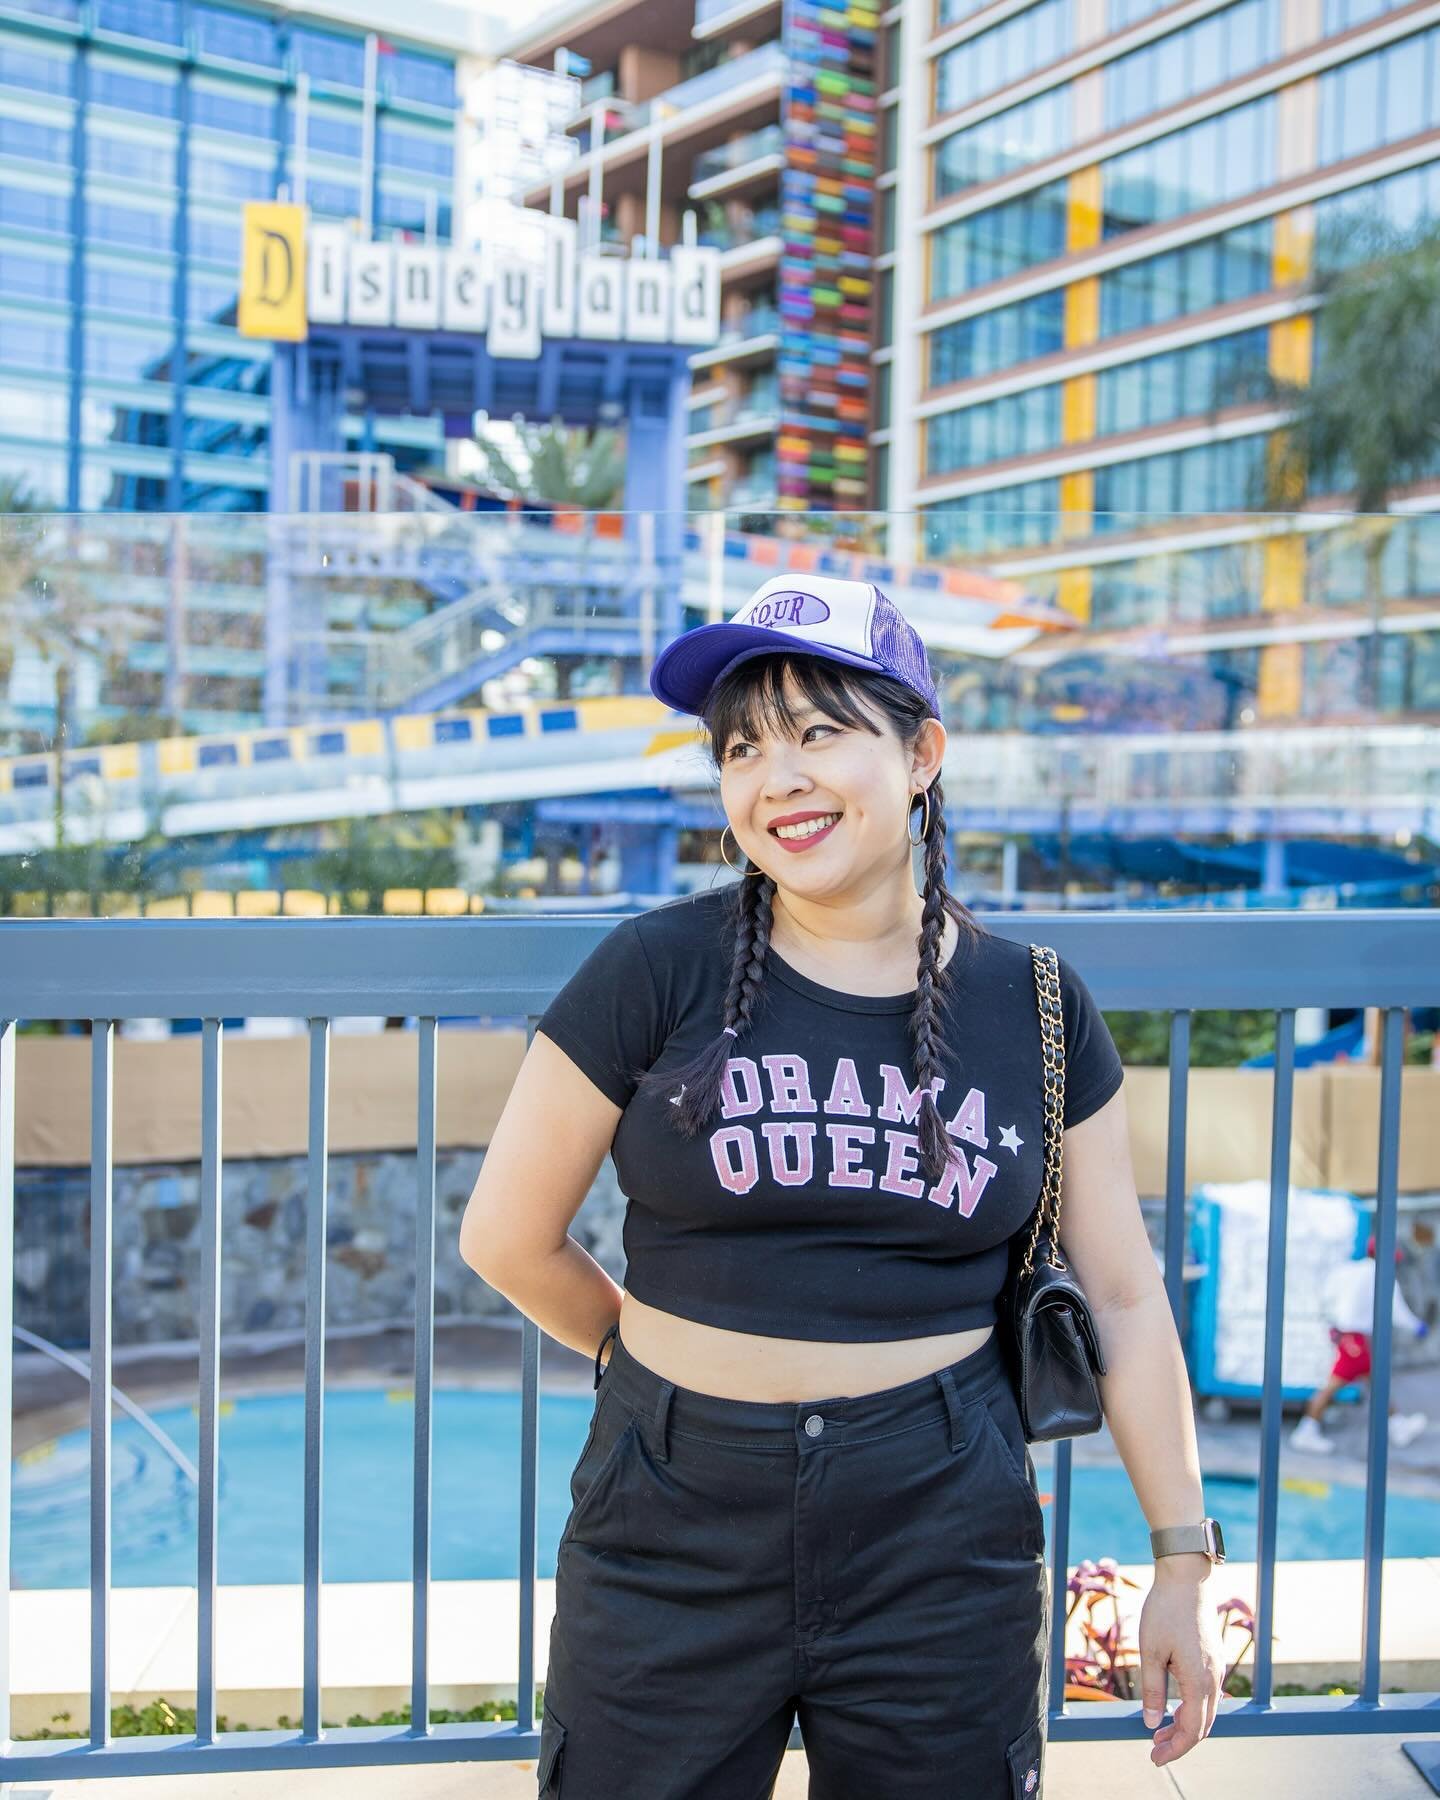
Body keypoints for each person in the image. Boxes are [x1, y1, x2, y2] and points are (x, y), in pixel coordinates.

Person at [460, 573, 1226, 1798]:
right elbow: (506, 1235)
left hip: (938, 1521)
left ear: (922, 751)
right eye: (743, 747)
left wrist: (1181, 1565)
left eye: (821, 730)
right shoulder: (653, 968)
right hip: (670, 1521)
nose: (778, 778)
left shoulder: (1035, 1005)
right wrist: (653, 1369)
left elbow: (1125, 1295)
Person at [1290, 1235, 1429, 1455]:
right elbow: (1397, 1310)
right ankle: (1306, 1430)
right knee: (1332, 1387)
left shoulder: (1347, 1271)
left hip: (1344, 1335)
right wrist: (1417, 1327)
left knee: (1374, 1382)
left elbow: (1326, 1297)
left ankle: (1397, 1424)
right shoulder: (1381, 1275)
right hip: (1355, 1340)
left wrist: (1333, 1327)